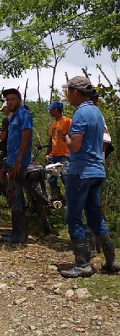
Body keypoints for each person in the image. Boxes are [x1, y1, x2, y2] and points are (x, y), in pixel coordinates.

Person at [58, 77, 117, 277]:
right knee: (94, 215)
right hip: (97, 171)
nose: (67, 96)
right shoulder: (96, 112)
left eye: (69, 91)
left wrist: (65, 138)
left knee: (73, 216)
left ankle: (83, 264)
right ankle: (111, 261)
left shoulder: (81, 113)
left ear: (75, 92)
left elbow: (75, 145)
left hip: (80, 172)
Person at [0, 88, 33, 243]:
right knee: (13, 195)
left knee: (17, 197)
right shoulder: (12, 118)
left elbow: (25, 139)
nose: (10, 102)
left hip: (20, 163)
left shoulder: (23, 115)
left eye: (12, 99)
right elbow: (11, 144)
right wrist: (6, 165)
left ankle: (19, 235)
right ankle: (16, 232)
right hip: (12, 162)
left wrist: (18, 161)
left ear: (19, 99)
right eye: (8, 100)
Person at [44, 101, 71, 201]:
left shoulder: (68, 121)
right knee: (51, 178)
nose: (49, 112)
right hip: (53, 155)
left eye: (50, 110)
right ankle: (56, 199)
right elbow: (51, 140)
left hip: (65, 155)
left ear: (56, 110)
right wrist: (47, 154)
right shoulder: (53, 123)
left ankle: (71, 198)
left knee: (66, 177)